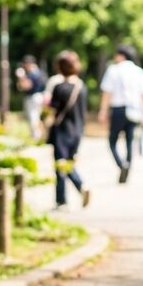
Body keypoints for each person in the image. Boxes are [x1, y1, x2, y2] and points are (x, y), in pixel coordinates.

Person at [46, 50, 91, 210]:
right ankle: (81, 186)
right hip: (77, 131)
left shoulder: (59, 88)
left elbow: (52, 110)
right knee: (69, 162)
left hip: (62, 131)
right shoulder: (81, 87)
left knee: (60, 165)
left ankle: (62, 200)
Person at [98, 44, 143, 183]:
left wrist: (103, 111)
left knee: (112, 140)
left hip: (118, 109)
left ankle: (122, 164)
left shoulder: (113, 70)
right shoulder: (139, 71)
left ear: (121, 55)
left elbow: (107, 92)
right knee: (129, 141)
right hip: (135, 109)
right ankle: (128, 166)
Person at [17, 55, 47, 141]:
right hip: (39, 96)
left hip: (32, 97)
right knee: (37, 117)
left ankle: (36, 137)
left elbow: (25, 86)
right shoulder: (40, 72)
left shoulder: (32, 74)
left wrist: (21, 77)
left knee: (33, 117)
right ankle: (39, 136)